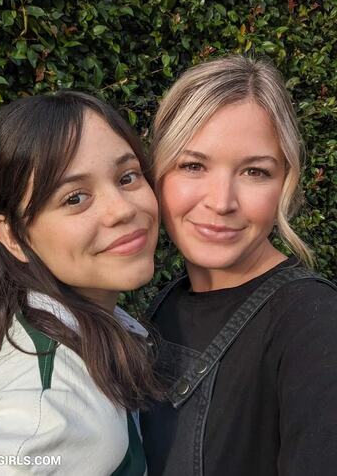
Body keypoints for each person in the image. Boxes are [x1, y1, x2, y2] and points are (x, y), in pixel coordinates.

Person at [0, 91, 161, 475]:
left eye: (127, 177)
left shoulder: (94, 332)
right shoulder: (49, 407)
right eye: (74, 198)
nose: (122, 209)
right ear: (12, 236)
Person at [141, 55, 337, 476]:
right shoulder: (165, 304)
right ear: (158, 172)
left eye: (254, 172)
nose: (221, 202)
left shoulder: (313, 323)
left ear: (286, 182)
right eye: (193, 166)